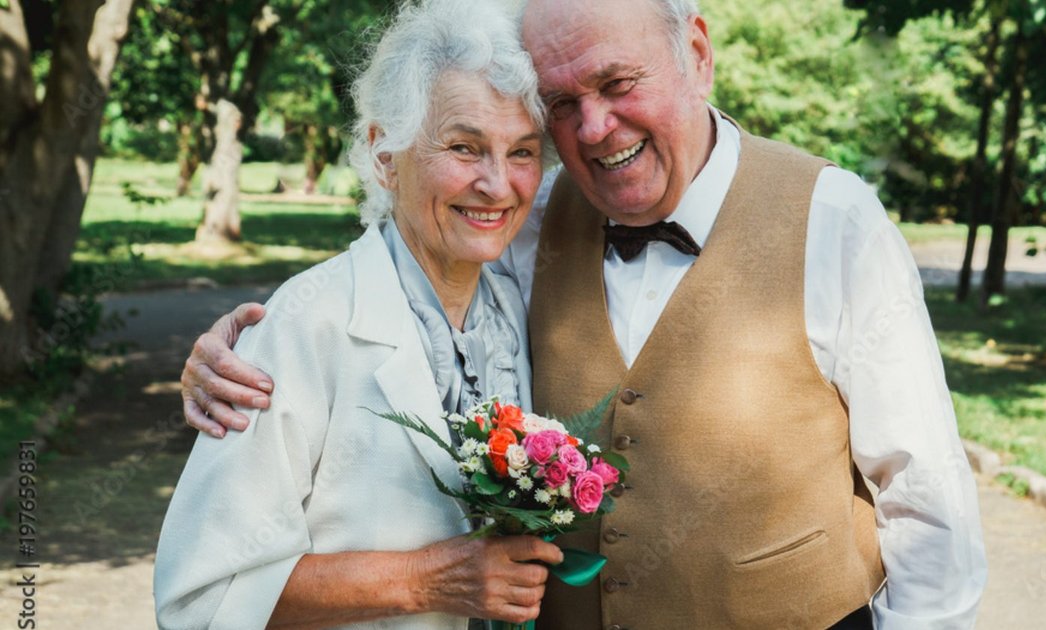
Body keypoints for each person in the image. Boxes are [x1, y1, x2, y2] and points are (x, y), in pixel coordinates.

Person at [180, 0, 988, 627]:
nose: (595, 129)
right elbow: (407, 248)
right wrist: (239, 348)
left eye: (619, 83)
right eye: (562, 102)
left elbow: (927, 496)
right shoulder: (527, 223)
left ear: (697, 56)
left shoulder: (834, 218)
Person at [153, 1, 565, 628]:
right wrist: (423, 581)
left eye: (523, 152)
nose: (498, 184)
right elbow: (199, 595)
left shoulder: (518, 302)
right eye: (463, 146)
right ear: (382, 153)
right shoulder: (304, 325)